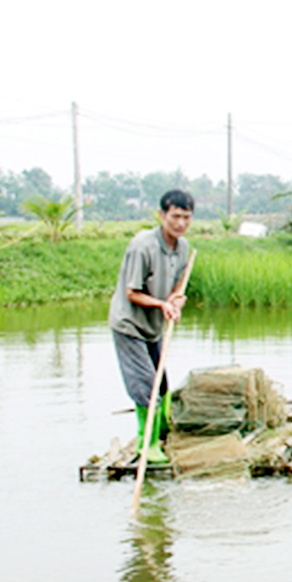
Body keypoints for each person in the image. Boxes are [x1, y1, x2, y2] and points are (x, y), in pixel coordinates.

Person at [108, 189, 193, 463]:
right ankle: (148, 445)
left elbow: (177, 284)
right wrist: (162, 305)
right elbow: (132, 292)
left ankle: (163, 428)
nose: (180, 223)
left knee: (163, 384)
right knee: (147, 387)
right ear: (162, 215)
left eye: (186, 218)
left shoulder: (184, 248)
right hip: (130, 324)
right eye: (175, 216)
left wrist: (176, 298)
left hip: (153, 327)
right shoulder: (142, 245)